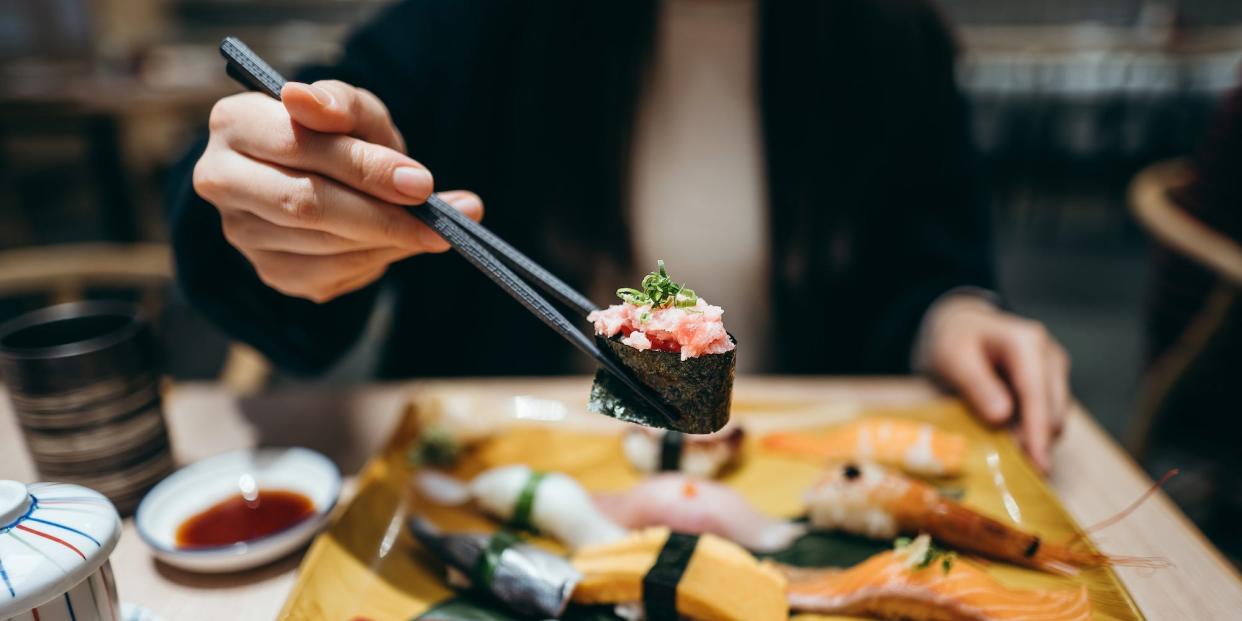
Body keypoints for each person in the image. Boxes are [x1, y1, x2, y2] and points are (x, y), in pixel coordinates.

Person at [169, 0, 1071, 471]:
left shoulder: (894, 42)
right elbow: (322, 126)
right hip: (512, 482)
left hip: (782, 475)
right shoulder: (480, 26)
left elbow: (921, 259)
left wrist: (950, 315)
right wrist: (281, 198)